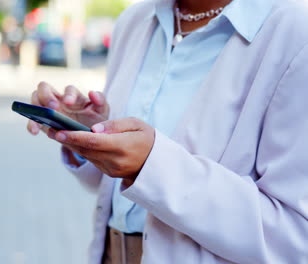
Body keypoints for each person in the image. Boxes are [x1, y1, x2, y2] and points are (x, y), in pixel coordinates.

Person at [27, 0, 308, 263]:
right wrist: (92, 133)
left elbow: (296, 237)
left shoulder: (295, 32)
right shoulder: (137, 20)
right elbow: (116, 192)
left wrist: (152, 167)